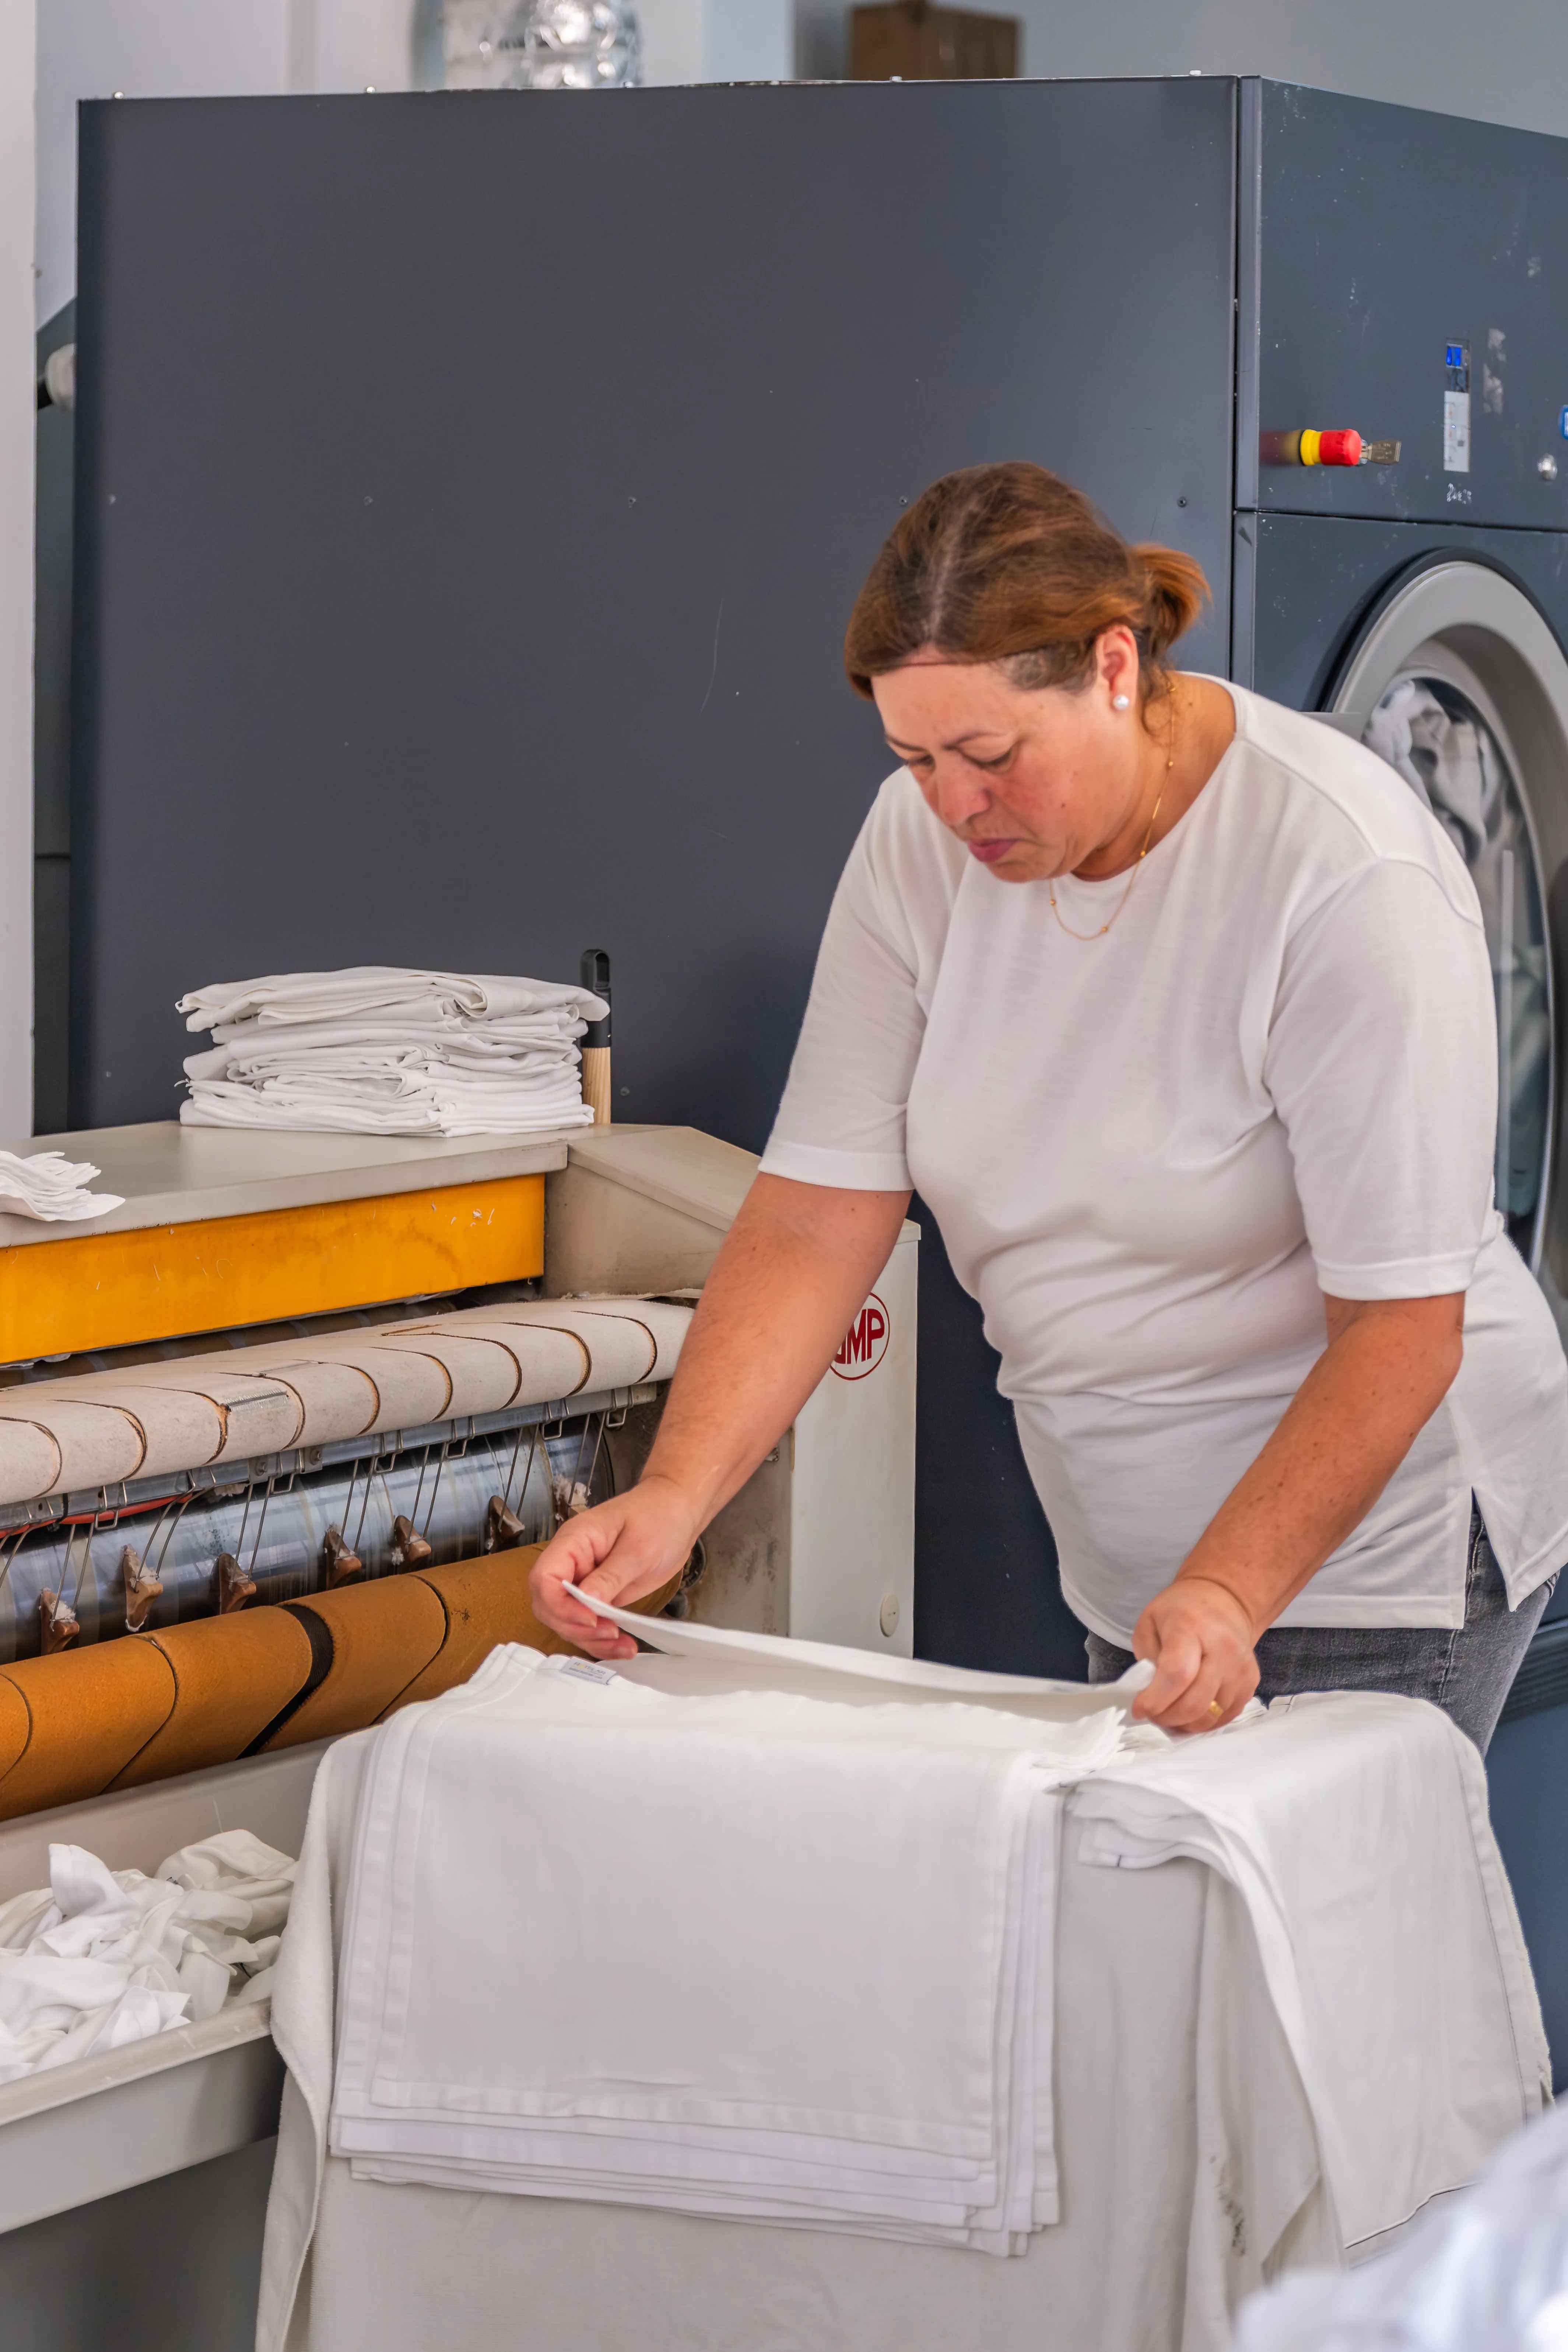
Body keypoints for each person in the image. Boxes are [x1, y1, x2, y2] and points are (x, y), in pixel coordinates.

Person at [531, 460, 1568, 1742]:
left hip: (1378, 1558)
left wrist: (1231, 1587)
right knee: (1141, 1929)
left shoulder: (1343, 874)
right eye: (914, 757)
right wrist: (678, 1495)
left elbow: (1402, 1330)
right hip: (1136, 1564)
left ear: (1117, 669)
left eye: (990, 755)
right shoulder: (918, 847)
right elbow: (815, 1214)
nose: (955, 804)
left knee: (1313, 1937)